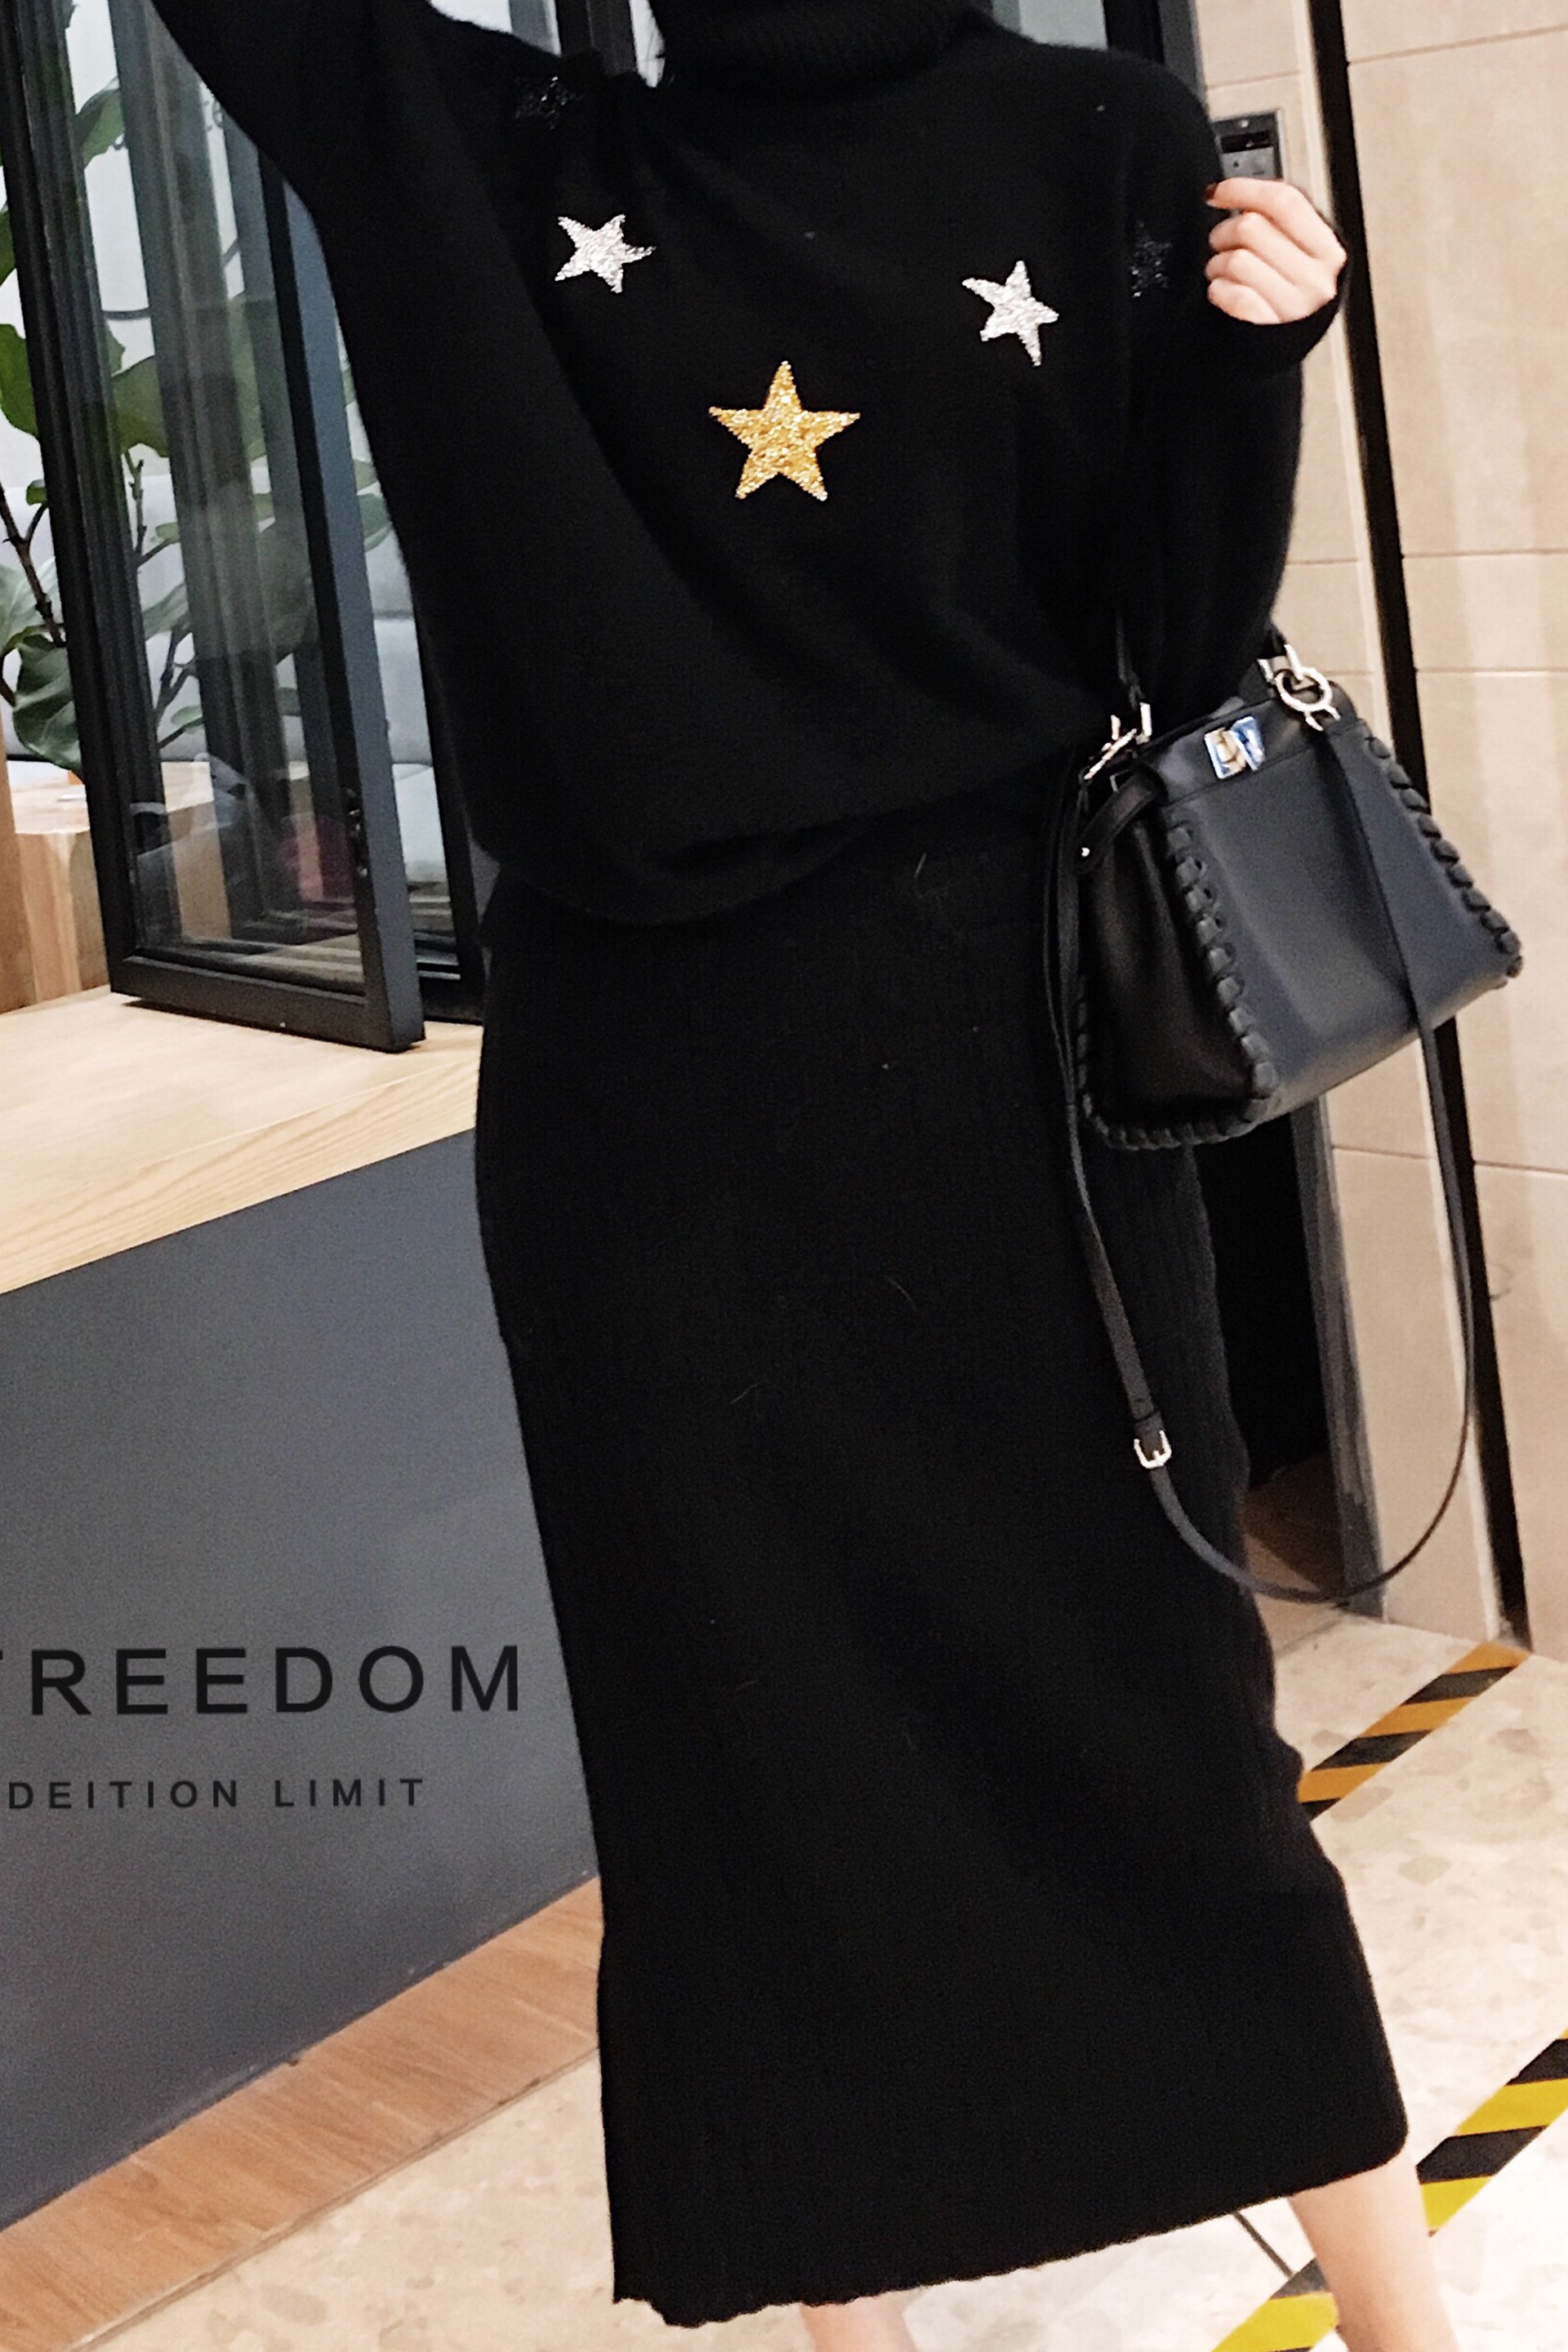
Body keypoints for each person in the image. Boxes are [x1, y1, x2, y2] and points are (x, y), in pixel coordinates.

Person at [140, 2, 1460, 2345]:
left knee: (1147, 1719)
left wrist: (1255, 355)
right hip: (698, 1131)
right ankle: (878, 2323)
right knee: (756, 1765)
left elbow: (1178, 650)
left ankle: (1393, 2310)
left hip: (967, 1081)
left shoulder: (1089, 138)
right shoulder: (517, 144)